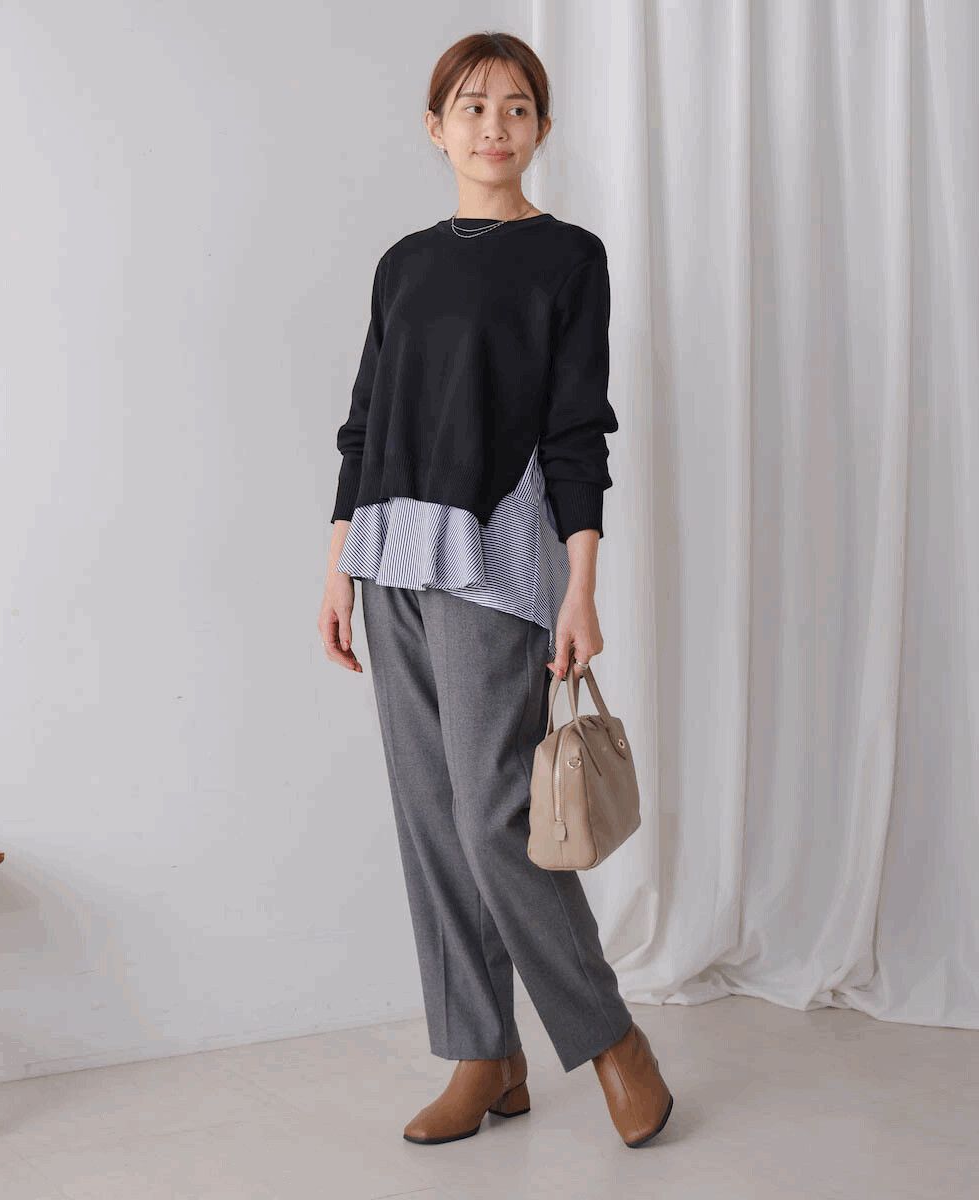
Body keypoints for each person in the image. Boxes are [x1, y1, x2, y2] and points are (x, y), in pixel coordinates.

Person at [318, 31, 673, 1150]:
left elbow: (577, 432)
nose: (493, 126)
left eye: (516, 107)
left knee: (495, 815)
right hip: (389, 555)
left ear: (541, 129)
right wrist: (337, 564)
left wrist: (581, 586)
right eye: (471, 107)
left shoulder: (568, 257)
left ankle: (613, 1040)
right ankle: (484, 1056)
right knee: (433, 817)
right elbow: (365, 420)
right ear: (435, 128)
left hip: (495, 558)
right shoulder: (403, 265)